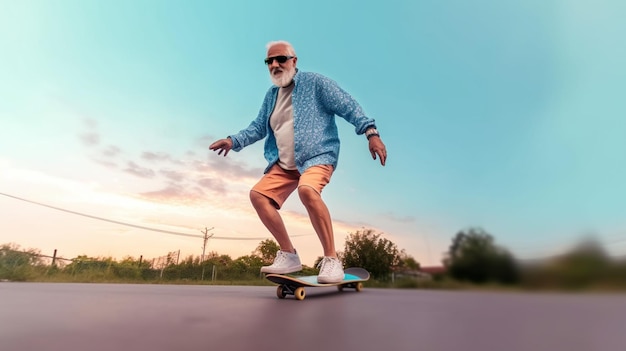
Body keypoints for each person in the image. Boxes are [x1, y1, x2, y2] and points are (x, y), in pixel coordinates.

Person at [209, 40, 387, 283]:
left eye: (280, 59)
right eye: (269, 61)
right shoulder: (271, 96)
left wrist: (371, 134)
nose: (274, 64)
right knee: (258, 196)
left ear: (294, 61)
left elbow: (348, 106)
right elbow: (258, 127)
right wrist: (233, 140)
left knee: (307, 190)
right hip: (283, 163)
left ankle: (332, 260)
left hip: (317, 156)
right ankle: (289, 255)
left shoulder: (315, 83)